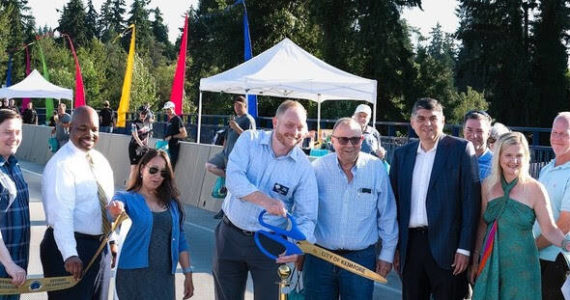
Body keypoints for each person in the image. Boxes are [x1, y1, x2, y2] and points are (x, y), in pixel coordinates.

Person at [213, 100, 318, 299]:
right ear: (275, 122)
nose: (295, 132)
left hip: (271, 245)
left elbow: (307, 216)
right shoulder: (249, 140)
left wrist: (299, 246)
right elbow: (233, 179)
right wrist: (266, 201)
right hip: (229, 236)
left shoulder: (304, 168)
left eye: (300, 127)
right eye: (289, 125)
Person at [389, 98, 480, 300]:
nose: (427, 123)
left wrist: (464, 248)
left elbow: (470, 203)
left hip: (449, 249)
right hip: (411, 247)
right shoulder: (401, 155)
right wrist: (394, 248)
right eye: (421, 118)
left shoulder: (461, 150)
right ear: (412, 123)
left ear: (443, 121)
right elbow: (393, 205)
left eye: (433, 118)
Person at [304, 118, 398, 300]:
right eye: (343, 140)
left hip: (360, 259)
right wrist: (299, 247)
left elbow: (387, 215)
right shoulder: (317, 169)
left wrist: (387, 254)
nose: (349, 145)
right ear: (332, 140)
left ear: (362, 141)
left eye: (355, 140)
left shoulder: (376, 168)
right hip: (319, 258)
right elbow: (304, 211)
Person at [470, 132, 570, 299]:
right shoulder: (488, 186)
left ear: (526, 158)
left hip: (524, 266)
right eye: (508, 155)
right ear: (499, 156)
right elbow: (482, 224)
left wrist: (566, 244)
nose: (514, 161)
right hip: (491, 262)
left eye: (519, 155)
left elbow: (549, 229)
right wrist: (474, 259)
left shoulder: (535, 189)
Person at [40, 106, 115, 300]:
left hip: (99, 248)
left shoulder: (100, 161)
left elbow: (107, 204)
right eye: (82, 128)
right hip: (69, 250)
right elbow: (61, 215)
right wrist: (70, 255)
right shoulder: (61, 165)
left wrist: (112, 240)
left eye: (94, 129)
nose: (89, 134)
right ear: (70, 128)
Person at [107, 149, 194, 299]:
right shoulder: (126, 198)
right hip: (132, 278)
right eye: (153, 170)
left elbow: (181, 240)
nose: (158, 176)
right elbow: (111, 213)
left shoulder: (172, 204)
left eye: (163, 173)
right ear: (142, 169)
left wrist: (188, 273)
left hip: (163, 278)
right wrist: (115, 210)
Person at [532, 112, 570, 299]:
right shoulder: (546, 169)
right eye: (555, 132)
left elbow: (564, 225)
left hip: (558, 260)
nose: (557, 138)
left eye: (564, 133)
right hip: (538, 258)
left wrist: (531, 246)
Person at [206, 96, 256, 219]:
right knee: (210, 165)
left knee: (231, 186)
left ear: (245, 106)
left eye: (239, 105)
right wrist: (224, 148)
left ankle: (225, 210)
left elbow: (250, 138)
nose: (237, 108)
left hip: (238, 156)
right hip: (227, 153)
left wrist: (236, 128)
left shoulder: (248, 119)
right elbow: (228, 136)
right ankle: (230, 177)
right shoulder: (235, 119)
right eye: (235, 105)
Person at [0, 110, 30, 300]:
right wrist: (9, 264)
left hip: (15, 270)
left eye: (18, 132)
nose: (14, 137)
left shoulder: (14, 166)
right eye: (8, 132)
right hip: (6, 267)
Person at [463, 110, 493, 179]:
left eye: (479, 131)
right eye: (469, 130)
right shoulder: (453, 160)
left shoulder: (496, 164)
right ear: (464, 131)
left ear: (488, 133)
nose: (474, 136)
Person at [128, 106, 153, 184]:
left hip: (143, 148)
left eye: (145, 113)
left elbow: (148, 135)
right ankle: (130, 187)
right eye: (142, 113)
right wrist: (142, 145)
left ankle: (139, 186)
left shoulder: (148, 123)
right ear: (139, 113)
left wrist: (146, 144)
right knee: (134, 167)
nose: (144, 115)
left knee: (143, 168)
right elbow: (135, 135)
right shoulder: (134, 123)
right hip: (134, 147)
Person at [163, 101, 187, 169]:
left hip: (173, 148)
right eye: (166, 109)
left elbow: (184, 134)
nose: (167, 111)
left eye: (168, 109)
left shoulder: (177, 119)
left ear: (173, 108)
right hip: (167, 147)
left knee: (169, 170)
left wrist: (172, 137)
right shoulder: (170, 120)